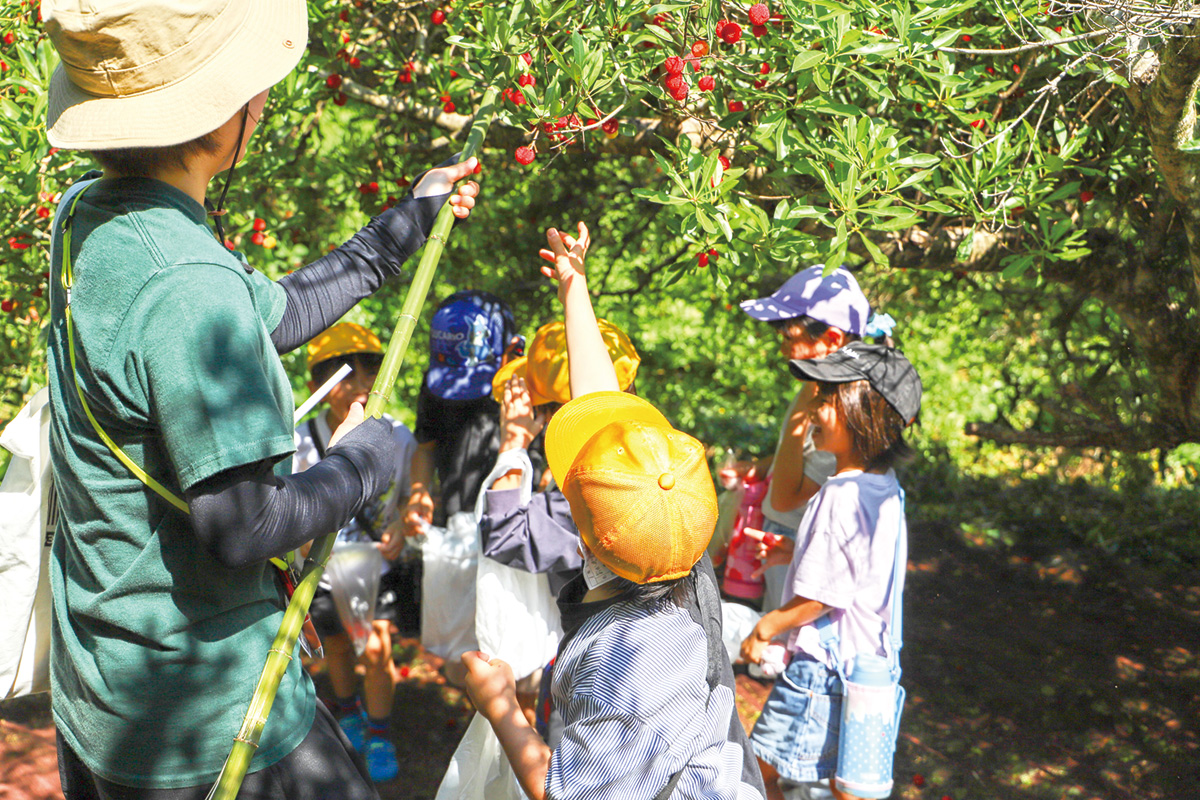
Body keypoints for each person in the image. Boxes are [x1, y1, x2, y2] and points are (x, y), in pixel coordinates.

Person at [43, 3, 478, 797]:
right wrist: (369, 458)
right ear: (219, 120)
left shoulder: (91, 217)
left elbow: (269, 313)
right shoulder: (188, 284)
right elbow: (244, 526)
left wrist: (403, 225)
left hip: (106, 685)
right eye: (251, 85)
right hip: (205, 711)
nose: (265, 97)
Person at [462, 223, 765, 800]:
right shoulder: (681, 541)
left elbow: (564, 792)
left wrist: (500, 705)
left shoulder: (618, 661)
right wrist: (575, 289)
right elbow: (601, 411)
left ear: (582, 536)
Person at [739, 343, 922, 800]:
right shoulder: (883, 488)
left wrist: (766, 627)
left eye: (826, 400)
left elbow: (826, 596)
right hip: (865, 665)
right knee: (848, 785)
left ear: (863, 413)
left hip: (820, 670)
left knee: (758, 773)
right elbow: (857, 567)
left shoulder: (838, 495)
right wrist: (795, 550)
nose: (817, 410)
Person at [292, 322, 417, 783]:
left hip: (374, 566)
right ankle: (348, 714)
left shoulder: (395, 437)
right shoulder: (300, 440)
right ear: (318, 386)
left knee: (378, 647)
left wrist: (403, 522)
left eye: (370, 373)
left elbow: (410, 494)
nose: (360, 387)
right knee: (339, 644)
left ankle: (380, 732)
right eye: (346, 375)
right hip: (322, 571)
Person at [728, 267, 887, 614]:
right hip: (783, 539)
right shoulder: (816, 388)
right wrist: (760, 467)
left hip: (800, 545)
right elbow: (798, 455)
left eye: (789, 335)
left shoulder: (840, 410)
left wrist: (803, 411)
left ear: (832, 340)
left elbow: (786, 499)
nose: (782, 348)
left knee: (783, 643)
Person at [403, 290, 522, 535]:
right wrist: (419, 490)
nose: (461, 388)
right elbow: (425, 447)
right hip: (452, 525)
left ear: (512, 349)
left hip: (512, 529)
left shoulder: (532, 394)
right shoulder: (435, 386)